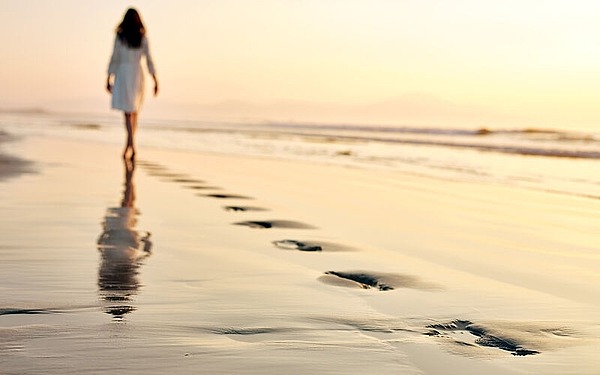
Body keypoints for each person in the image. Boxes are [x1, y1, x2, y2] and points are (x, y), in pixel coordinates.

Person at [106, 8, 158, 160]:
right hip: (136, 73)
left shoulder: (122, 38)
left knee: (129, 112)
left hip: (124, 73)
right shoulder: (140, 38)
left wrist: (109, 77)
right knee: (132, 112)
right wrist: (155, 79)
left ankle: (130, 144)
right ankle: (131, 144)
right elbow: (149, 60)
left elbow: (114, 58)